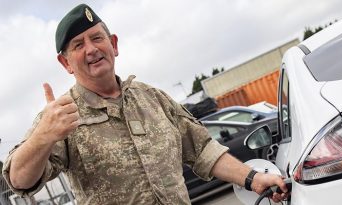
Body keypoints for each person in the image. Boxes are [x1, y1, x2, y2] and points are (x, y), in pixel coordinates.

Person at [2, 4, 288, 204]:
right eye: (78, 45)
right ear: (65, 63)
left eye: (97, 38)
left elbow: (202, 149)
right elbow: (20, 181)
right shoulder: (61, 116)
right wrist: (42, 137)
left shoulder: (153, 98)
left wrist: (252, 178)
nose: (91, 49)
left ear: (113, 44)